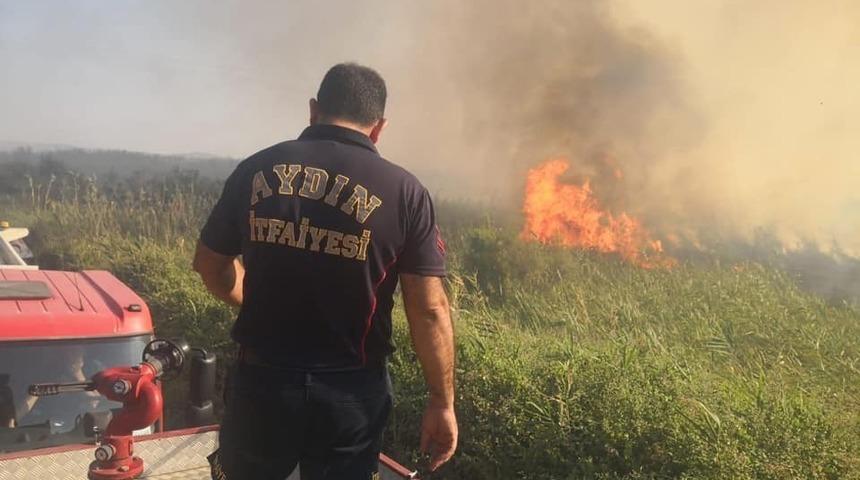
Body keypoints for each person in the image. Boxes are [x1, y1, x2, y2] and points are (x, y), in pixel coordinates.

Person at [194, 63, 457, 480]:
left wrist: (249, 297)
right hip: (350, 393)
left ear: (314, 110)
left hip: (262, 381)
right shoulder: (405, 192)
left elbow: (210, 265)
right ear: (379, 127)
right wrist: (442, 402)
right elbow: (428, 309)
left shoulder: (255, 169)